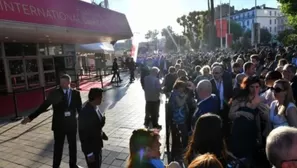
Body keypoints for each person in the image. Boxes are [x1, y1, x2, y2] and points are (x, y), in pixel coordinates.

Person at [21, 74, 82, 168]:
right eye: (61, 82)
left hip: (71, 125)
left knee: (73, 147)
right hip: (59, 126)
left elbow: (80, 109)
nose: (62, 84)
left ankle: (73, 165)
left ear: (69, 82)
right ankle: (56, 166)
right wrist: (30, 117)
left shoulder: (76, 93)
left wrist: (86, 121)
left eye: (64, 82)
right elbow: (43, 106)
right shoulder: (55, 93)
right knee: (58, 147)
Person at [79, 88, 108, 168]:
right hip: (91, 149)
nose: (102, 99)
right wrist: (89, 153)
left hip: (97, 145)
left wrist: (102, 123)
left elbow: (95, 126)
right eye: (101, 97)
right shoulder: (85, 113)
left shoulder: (96, 107)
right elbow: (83, 135)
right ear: (96, 98)